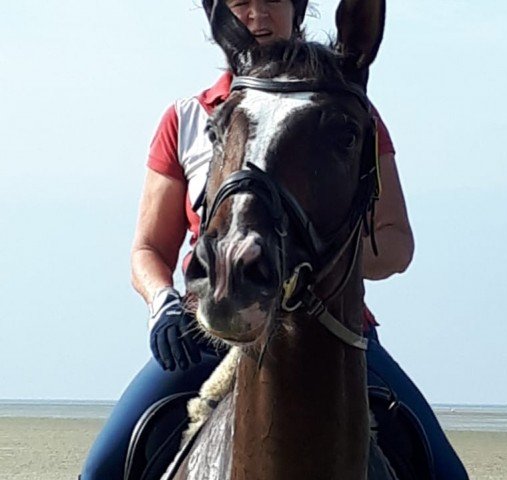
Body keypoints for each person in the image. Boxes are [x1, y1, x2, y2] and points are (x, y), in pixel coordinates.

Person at [80, 0, 468, 478]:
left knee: (447, 472)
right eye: (240, 3)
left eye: (271, 1)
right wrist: (162, 304)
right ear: (221, 18)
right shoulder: (184, 118)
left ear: (297, 10)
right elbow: (148, 249)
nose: (257, 15)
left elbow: (395, 242)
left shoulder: (346, 109)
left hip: (333, 332)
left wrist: (305, 260)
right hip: (207, 327)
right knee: (100, 470)